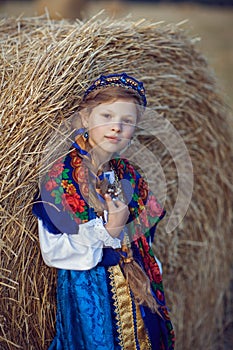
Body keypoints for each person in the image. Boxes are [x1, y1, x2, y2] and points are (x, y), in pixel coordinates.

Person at [33, 72, 175, 350]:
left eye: (127, 121)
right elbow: (54, 251)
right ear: (86, 119)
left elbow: (145, 237)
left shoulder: (128, 175)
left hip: (137, 291)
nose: (116, 127)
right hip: (91, 295)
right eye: (106, 116)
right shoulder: (62, 178)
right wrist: (110, 228)